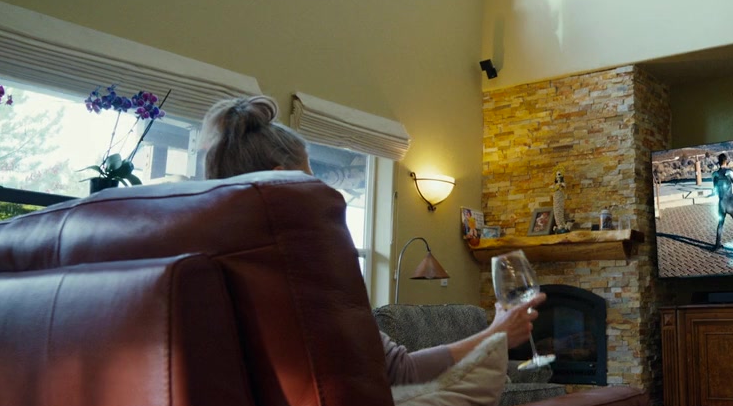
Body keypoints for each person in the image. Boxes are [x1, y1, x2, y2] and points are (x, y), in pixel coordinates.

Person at [200, 96, 544, 385]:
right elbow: (399, 372)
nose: (319, 187)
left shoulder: (204, 261)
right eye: (310, 175)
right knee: (483, 387)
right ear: (280, 184)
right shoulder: (303, 269)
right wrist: (495, 336)